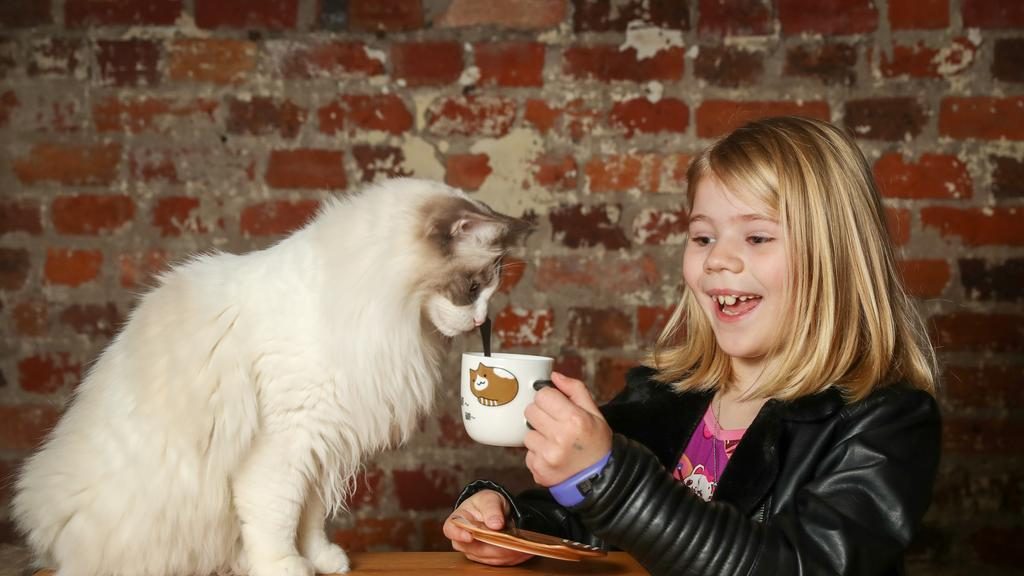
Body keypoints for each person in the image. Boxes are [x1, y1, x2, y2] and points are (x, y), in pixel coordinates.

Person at [441, 116, 942, 575]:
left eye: (758, 238)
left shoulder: (885, 423)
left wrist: (608, 477)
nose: (718, 260)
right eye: (702, 238)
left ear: (835, 256)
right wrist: (517, 525)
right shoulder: (666, 392)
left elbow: (795, 565)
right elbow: (589, 521)